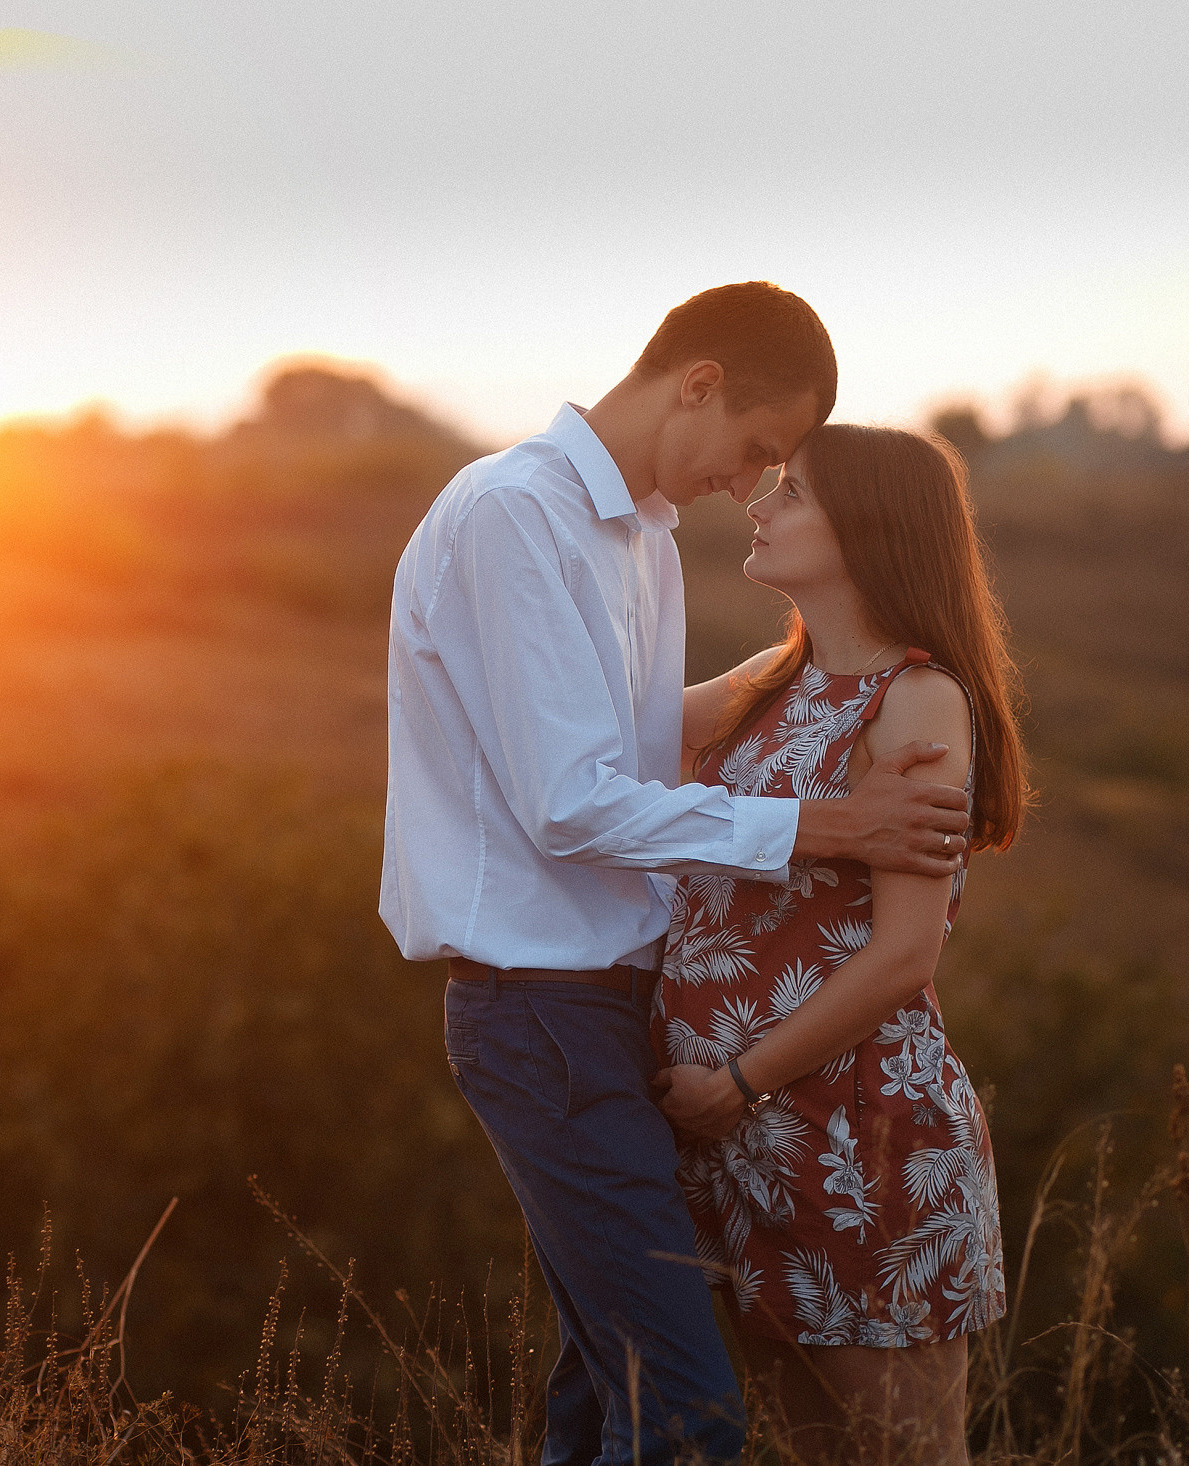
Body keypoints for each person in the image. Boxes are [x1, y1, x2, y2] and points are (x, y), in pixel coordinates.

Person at [381, 283, 975, 1466]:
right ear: (696, 381)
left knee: (608, 1403)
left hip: (619, 1010)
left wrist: (820, 678)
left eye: (780, 470)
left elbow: (635, 744)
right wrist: (829, 825)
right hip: (541, 1006)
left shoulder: (637, 537)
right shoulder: (516, 515)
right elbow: (571, 802)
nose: (749, 482)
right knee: (686, 1414)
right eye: (756, 448)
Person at [653, 423, 1029, 1465]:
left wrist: (737, 1079)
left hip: (859, 1138)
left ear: (867, 531)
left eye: (795, 493)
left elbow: (906, 954)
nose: (760, 504)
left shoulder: (916, 699)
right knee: (813, 1451)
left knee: (901, 1452)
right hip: (741, 1140)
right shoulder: (768, 681)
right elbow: (596, 728)